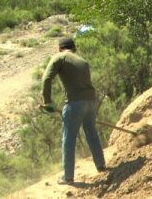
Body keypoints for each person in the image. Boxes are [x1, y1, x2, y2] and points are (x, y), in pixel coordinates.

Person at [41, 37, 106, 185]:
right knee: (91, 131)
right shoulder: (82, 61)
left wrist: (47, 101)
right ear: (74, 48)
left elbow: (46, 79)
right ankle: (101, 165)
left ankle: (68, 177)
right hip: (91, 102)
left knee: (68, 139)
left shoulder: (60, 57)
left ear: (60, 49)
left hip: (75, 104)